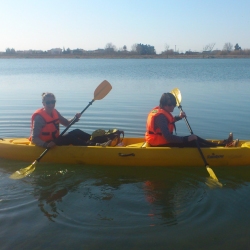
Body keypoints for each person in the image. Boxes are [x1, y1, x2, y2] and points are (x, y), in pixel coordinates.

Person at [145, 92, 239, 147]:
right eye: (170, 105)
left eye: (174, 104)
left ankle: (222, 144)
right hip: (159, 143)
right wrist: (185, 139)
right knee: (193, 141)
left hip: (158, 140)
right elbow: (168, 138)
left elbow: (168, 122)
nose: (173, 106)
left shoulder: (161, 112)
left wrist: (179, 117)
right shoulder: (160, 116)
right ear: (163, 104)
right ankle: (220, 147)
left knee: (194, 137)